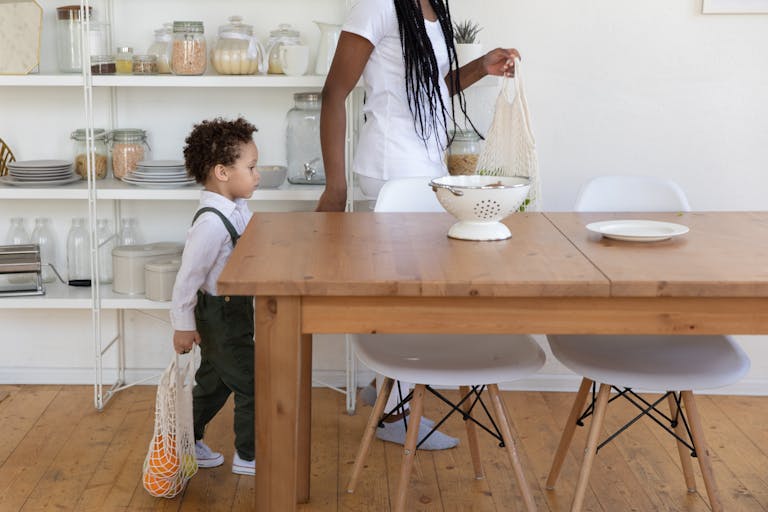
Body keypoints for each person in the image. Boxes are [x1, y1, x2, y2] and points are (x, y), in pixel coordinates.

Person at [317, 0, 519, 450]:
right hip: (391, 169)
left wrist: (481, 67)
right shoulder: (377, 7)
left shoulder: (431, 10)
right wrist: (335, 188)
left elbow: (432, 86)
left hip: (422, 166)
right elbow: (333, 93)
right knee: (407, 298)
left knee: (407, 290)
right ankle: (397, 415)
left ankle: (384, 389)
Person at [170, 117, 260, 476]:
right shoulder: (209, 224)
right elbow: (186, 280)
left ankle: (183, 442)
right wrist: (182, 326)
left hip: (233, 312)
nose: (257, 175)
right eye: (251, 168)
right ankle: (249, 456)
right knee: (252, 384)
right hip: (219, 316)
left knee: (214, 382)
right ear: (222, 172)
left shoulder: (236, 208)